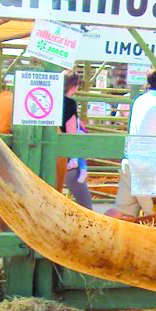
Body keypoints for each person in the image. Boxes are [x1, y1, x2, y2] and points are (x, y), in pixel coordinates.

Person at [110, 68, 156, 218]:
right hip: (149, 168)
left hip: (131, 162)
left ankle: (95, 232)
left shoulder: (140, 100)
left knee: (120, 211)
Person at [61, 72, 94, 209]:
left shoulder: (50, 99)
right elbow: (71, 133)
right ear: (74, 86)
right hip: (65, 158)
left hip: (46, 155)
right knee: (85, 203)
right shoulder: (70, 103)